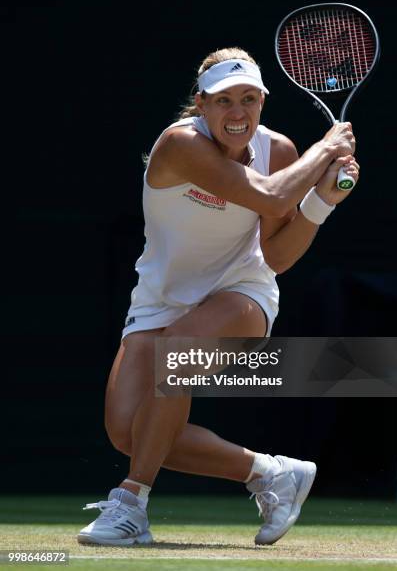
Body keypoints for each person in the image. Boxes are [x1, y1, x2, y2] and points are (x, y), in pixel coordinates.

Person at [78, 47, 358, 547]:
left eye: (249, 99)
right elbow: (272, 196)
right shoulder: (180, 145)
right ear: (201, 106)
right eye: (223, 100)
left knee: (178, 355)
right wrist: (327, 148)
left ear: (262, 104)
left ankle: (130, 503)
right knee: (128, 432)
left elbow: (276, 258)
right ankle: (270, 473)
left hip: (242, 293)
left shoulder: (280, 153)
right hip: (159, 298)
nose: (237, 112)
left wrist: (322, 201)